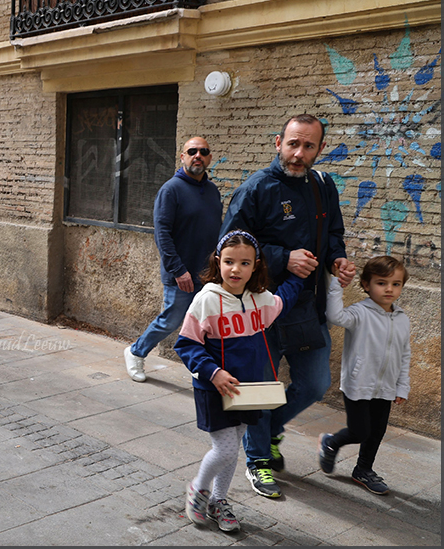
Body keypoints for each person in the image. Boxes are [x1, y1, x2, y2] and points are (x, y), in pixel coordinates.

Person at [220, 113, 357, 499]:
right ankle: (258, 460)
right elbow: (227, 246)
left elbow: (333, 233)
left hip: (306, 308)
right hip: (259, 307)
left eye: (308, 146)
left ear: (319, 149)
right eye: (293, 144)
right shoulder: (257, 188)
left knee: (316, 383)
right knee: (261, 389)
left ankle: (268, 430)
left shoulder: (322, 185)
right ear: (278, 142)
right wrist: (282, 258)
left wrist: (337, 260)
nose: (298, 154)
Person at [175, 231, 303, 533]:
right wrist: (213, 372)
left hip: (247, 390)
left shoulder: (260, 300)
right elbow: (186, 344)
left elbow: (285, 298)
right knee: (226, 449)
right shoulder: (205, 300)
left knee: (234, 447)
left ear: (256, 266)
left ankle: (219, 501)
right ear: (218, 262)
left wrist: (305, 272)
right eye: (229, 262)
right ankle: (199, 490)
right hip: (212, 388)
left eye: (244, 263)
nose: (236, 269)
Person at [123, 137, 223, 382]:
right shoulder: (171, 189)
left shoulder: (211, 190)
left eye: (203, 151)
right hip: (181, 273)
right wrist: (178, 270)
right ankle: (136, 352)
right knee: (171, 320)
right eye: (192, 151)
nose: (197, 155)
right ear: (183, 156)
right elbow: (162, 234)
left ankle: (204, 368)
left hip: (207, 273)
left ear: (210, 158)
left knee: (206, 324)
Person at [319, 256, 411, 495]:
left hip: (386, 387)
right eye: (382, 283)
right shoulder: (359, 313)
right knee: (360, 431)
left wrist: (402, 387)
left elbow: (404, 354)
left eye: (396, 283)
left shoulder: (402, 319)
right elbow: (335, 317)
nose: (389, 289)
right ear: (367, 284)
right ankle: (331, 442)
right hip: (358, 384)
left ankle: (363, 470)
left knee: (377, 432)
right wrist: (337, 284)